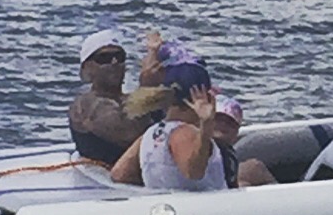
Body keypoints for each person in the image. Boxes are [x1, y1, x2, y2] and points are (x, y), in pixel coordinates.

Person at [111, 60, 275, 190]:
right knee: (255, 170)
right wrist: (206, 126)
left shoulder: (150, 134)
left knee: (252, 169)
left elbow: (119, 174)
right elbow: (194, 172)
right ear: (204, 96)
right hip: (208, 210)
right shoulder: (184, 133)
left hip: (170, 203)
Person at [67, 28, 165, 164]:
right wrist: (147, 88)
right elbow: (128, 133)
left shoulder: (130, 99)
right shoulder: (85, 105)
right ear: (86, 69)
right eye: (104, 58)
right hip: (106, 171)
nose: (114, 62)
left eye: (119, 57)